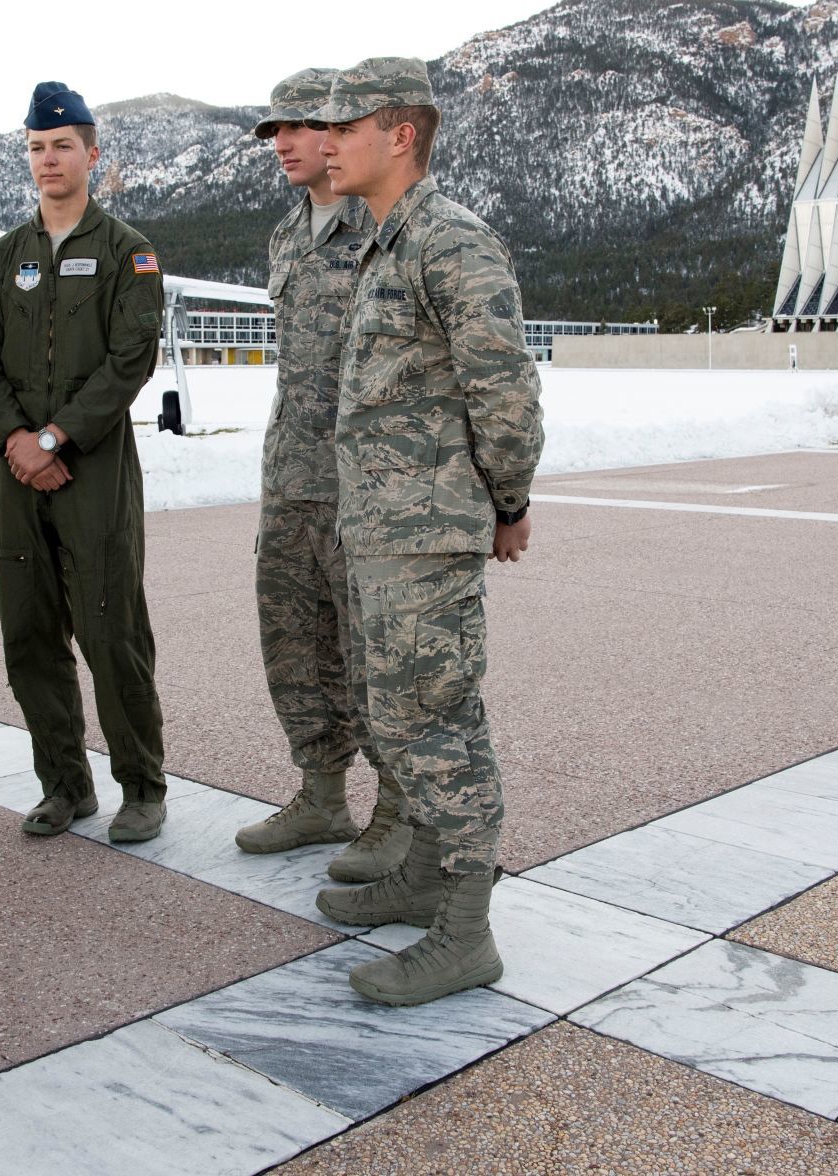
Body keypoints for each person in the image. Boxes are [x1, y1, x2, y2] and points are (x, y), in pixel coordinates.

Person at [308, 58, 544, 1006]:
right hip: (381, 529)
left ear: (400, 133)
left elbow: (506, 389)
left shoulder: (451, 242)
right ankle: (425, 877)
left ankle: (467, 930)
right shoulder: (384, 242)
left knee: (438, 723)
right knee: (396, 711)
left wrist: (509, 501)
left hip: (426, 532)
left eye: (344, 125)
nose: (326, 143)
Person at [0, 82, 168, 843]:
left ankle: (142, 787)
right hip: (17, 475)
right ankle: (64, 785)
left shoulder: (127, 252)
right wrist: (16, 442)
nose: (49, 160)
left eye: (62, 147)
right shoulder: (4, 256)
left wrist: (54, 439)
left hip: (94, 471)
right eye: (36, 148)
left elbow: (129, 359)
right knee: (28, 633)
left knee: (111, 631)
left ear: (92, 155)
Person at [234, 69, 412, 884]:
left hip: (363, 487)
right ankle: (319, 792)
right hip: (291, 476)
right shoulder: (287, 234)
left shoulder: (383, 229)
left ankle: (399, 813)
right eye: (275, 132)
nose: (285, 144)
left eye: (300, 127)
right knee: (293, 645)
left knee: (372, 655)